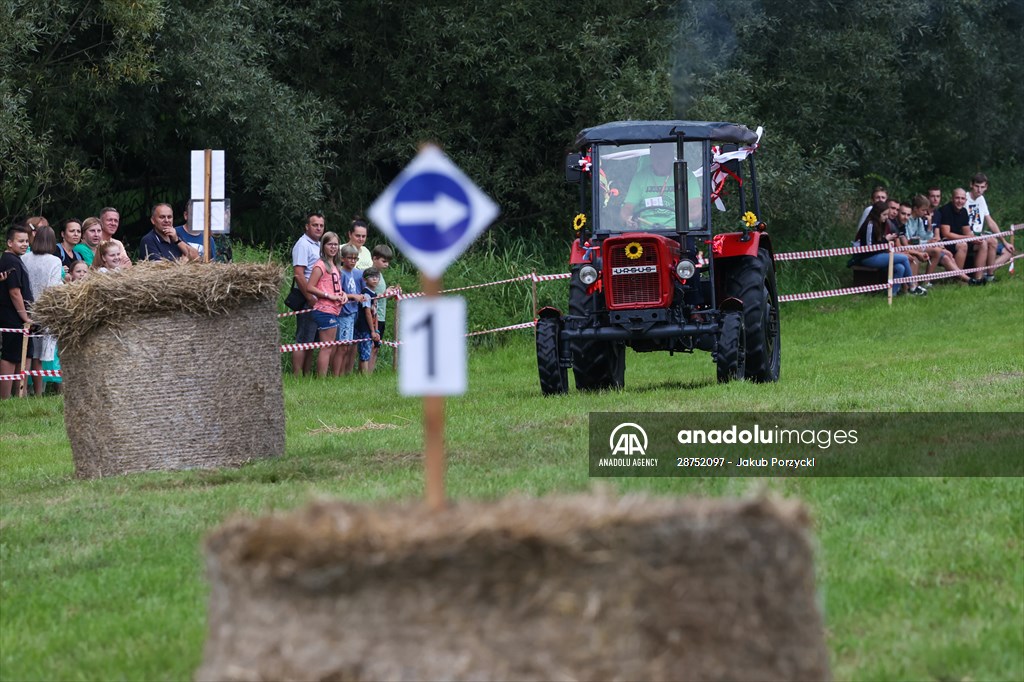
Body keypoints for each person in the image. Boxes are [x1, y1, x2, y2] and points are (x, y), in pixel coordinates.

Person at [20, 225, 62, 396]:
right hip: (43, 310)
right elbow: (52, 289)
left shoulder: (24, 258)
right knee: (38, 356)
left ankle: (21, 392)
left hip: (24, 308)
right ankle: (38, 393)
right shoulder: (54, 261)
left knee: (25, 354)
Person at [620, 143, 701, 229]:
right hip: (647, 233)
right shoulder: (640, 177)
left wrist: (676, 222)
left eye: (663, 156)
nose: (660, 160)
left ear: (671, 156)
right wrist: (628, 219)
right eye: (656, 156)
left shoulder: (685, 176)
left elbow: (696, 210)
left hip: (678, 232)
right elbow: (627, 208)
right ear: (651, 155)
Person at [854, 201, 921, 296]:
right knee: (904, 258)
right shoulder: (870, 224)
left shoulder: (882, 224)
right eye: (884, 215)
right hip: (868, 257)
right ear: (877, 214)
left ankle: (891, 293)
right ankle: (912, 286)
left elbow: (880, 242)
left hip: (879, 254)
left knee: (900, 268)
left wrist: (888, 240)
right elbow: (869, 247)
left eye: (887, 214)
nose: (886, 217)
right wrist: (886, 239)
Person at [305, 232, 347, 378]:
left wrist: (343, 295)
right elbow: (310, 287)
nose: (333, 247)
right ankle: (321, 380)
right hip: (324, 309)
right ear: (323, 246)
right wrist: (329, 296)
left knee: (330, 345)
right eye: (330, 244)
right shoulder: (320, 265)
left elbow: (335, 287)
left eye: (336, 244)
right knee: (327, 346)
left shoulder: (334, 265)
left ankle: (324, 378)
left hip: (334, 309)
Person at [290, 212, 325, 376]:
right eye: (315, 225)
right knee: (303, 339)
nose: (318, 228)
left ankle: (306, 375)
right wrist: (310, 298)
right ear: (307, 226)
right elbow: (299, 274)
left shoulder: (318, 245)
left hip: (319, 299)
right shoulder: (303, 244)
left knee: (313, 341)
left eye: (321, 225)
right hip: (307, 299)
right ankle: (297, 376)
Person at [1, 224, 34, 399]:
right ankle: (5, 398)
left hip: (20, 315)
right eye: (20, 241)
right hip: (12, 316)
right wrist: (24, 315)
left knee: (25, 352)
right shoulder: (10, 261)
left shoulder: (16, 259)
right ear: (9, 243)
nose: (25, 244)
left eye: (27, 241)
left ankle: (21, 394)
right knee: (11, 354)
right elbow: (14, 292)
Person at [906, 195, 968, 283]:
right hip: (910, 247)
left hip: (919, 245)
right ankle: (965, 279)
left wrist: (930, 226)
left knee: (940, 252)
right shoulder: (908, 220)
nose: (925, 213)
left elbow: (924, 235)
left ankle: (927, 280)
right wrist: (927, 241)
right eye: (923, 210)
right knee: (937, 251)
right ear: (915, 209)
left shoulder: (919, 220)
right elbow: (909, 240)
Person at [965, 173, 1015, 282]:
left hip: (980, 235)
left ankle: (987, 274)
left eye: (982, 187)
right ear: (971, 185)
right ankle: (982, 276)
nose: (979, 190)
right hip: (967, 237)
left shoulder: (981, 199)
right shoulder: (964, 198)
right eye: (977, 186)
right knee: (991, 241)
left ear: (986, 187)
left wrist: (1005, 242)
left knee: (1008, 251)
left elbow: (990, 222)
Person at [331, 244, 368, 376]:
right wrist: (353, 296)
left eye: (355, 258)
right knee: (342, 346)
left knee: (347, 346)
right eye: (350, 258)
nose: (353, 261)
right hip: (343, 313)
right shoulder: (340, 273)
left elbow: (365, 288)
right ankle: (336, 375)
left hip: (353, 313)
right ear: (342, 258)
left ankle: (342, 374)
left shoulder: (357, 273)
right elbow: (338, 292)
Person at [938, 188, 987, 285]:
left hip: (960, 240)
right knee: (963, 245)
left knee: (983, 243)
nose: (960, 201)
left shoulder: (964, 211)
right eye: (957, 198)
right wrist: (967, 238)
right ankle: (957, 280)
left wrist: (976, 238)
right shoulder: (945, 210)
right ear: (952, 198)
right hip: (946, 242)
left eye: (962, 199)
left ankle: (978, 278)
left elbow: (967, 232)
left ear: (965, 200)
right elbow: (946, 234)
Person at [369, 244, 400, 372]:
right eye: (383, 261)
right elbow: (370, 296)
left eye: (388, 262)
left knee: (376, 347)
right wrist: (385, 294)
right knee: (371, 347)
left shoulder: (380, 275)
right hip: (373, 317)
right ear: (374, 258)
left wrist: (388, 294)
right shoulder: (371, 275)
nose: (386, 264)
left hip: (381, 316)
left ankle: (369, 374)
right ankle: (365, 374)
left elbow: (380, 296)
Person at [892, 202, 931, 288]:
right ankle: (911, 288)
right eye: (903, 213)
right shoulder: (893, 224)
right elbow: (900, 247)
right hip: (889, 253)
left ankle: (913, 286)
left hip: (896, 252)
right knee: (911, 258)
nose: (906, 217)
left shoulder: (902, 225)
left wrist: (916, 252)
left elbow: (905, 245)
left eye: (908, 215)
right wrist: (917, 253)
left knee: (912, 256)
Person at [354, 267, 381, 374]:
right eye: (371, 277)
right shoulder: (366, 294)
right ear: (365, 279)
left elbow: (375, 313)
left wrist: (377, 330)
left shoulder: (374, 294)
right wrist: (372, 330)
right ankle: (363, 377)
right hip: (364, 327)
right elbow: (367, 312)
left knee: (367, 351)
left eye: (377, 277)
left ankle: (363, 375)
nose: (375, 279)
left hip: (372, 327)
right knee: (364, 353)